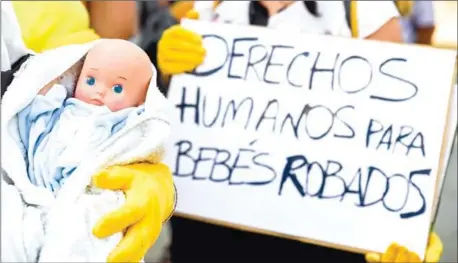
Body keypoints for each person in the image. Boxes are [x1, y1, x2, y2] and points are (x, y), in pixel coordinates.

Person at [152, 1, 444, 262]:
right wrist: (164, 78)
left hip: (322, 235)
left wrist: (400, 229)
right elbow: (177, 116)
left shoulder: (365, 10)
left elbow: (396, 128)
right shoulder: (210, 7)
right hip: (210, 228)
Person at [1, 2, 175, 262]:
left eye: (115, 89)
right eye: (91, 82)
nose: (100, 92)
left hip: (73, 193)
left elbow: (19, 83)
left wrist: (140, 151)